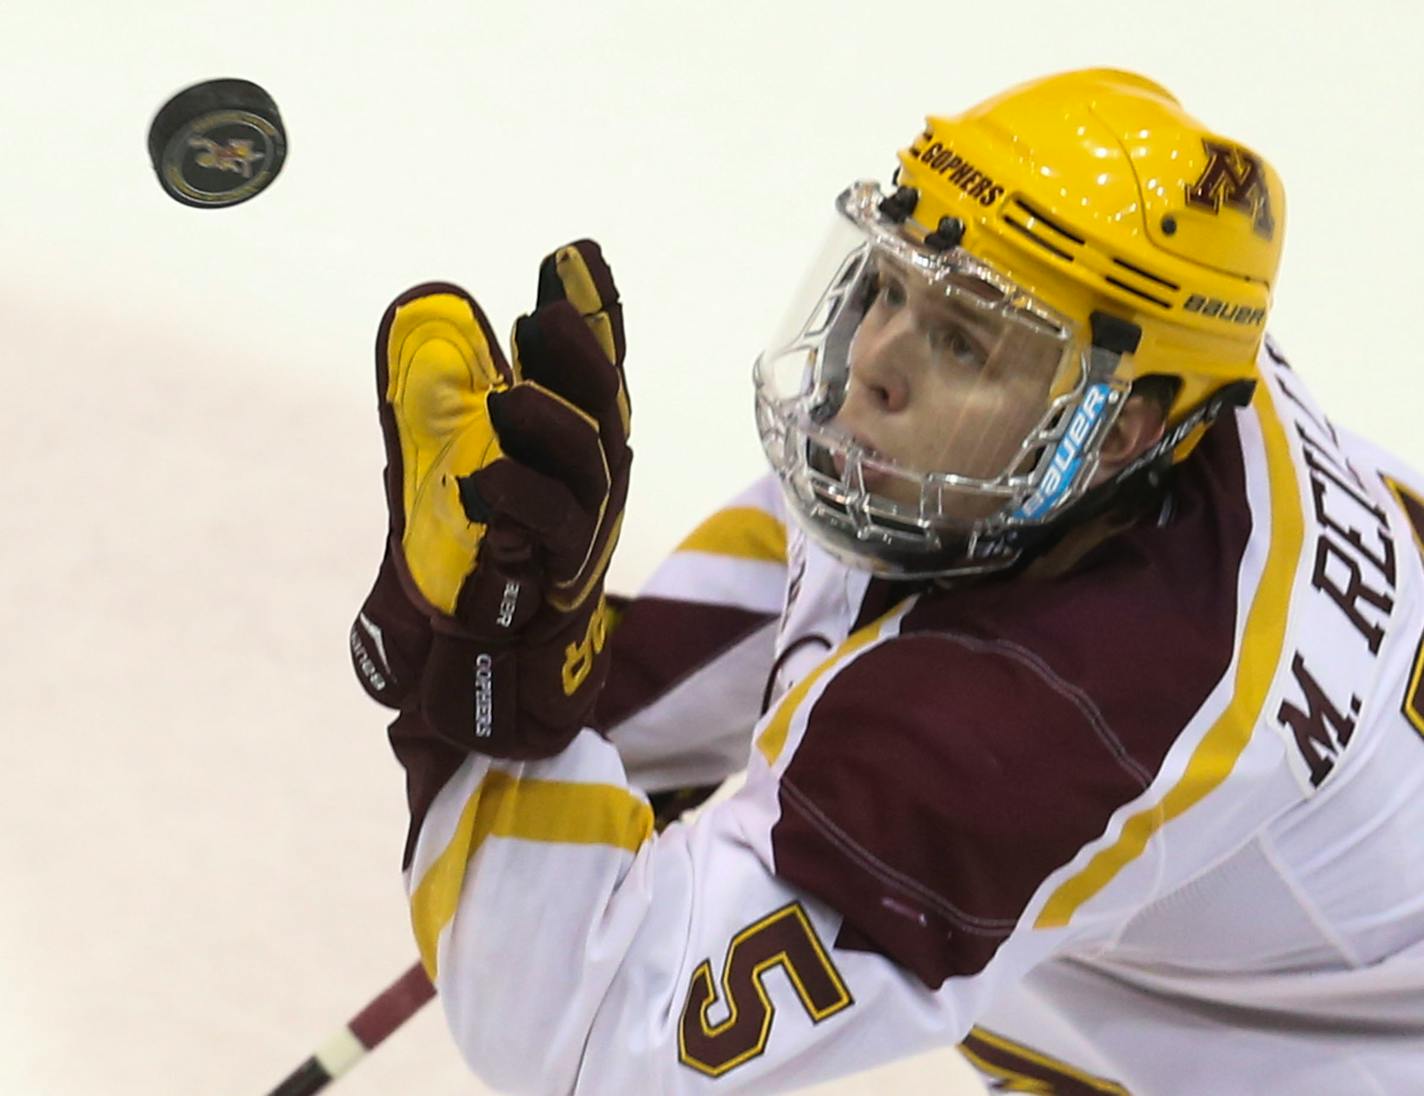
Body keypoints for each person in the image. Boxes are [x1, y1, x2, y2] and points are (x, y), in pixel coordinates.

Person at [347, 69, 1424, 1093]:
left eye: (961, 342)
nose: (871, 364)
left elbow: (582, 1036)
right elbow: (818, 580)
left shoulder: (1044, 725)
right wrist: (561, 675)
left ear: (1117, 433)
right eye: (890, 285)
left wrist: (488, 686)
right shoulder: (1124, 410)